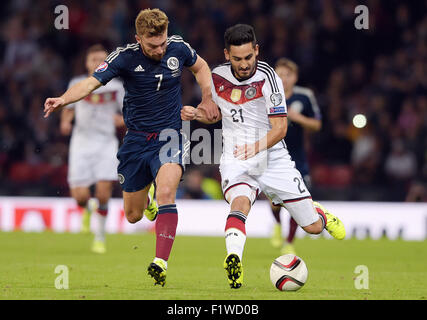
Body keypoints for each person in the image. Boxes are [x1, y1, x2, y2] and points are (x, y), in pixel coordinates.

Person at [44, 8, 219, 286]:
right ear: (138, 39)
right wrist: (63, 100)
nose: (160, 49)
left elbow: (201, 66)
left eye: (162, 42)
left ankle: (160, 261)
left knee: (166, 193)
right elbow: (90, 83)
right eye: (152, 45)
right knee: (134, 215)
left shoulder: (178, 48)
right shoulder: (123, 57)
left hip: (169, 135)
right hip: (135, 141)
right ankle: (146, 198)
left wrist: (208, 97)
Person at [181, 24, 345, 289]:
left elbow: (280, 129)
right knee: (240, 203)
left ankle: (321, 215)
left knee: (312, 228)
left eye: (248, 57)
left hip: (272, 155)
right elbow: (215, 114)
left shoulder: (269, 77)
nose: (244, 64)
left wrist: (255, 147)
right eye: (237, 59)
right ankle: (233, 258)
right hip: (235, 156)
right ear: (226, 55)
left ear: (256, 50)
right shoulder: (216, 76)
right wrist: (197, 114)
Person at [60, 44, 127, 254]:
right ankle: (87, 208)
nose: (97, 63)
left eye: (101, 59)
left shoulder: (116, 86)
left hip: (106, 143)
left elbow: (129, 113)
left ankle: (100, 237)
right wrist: (65, 121)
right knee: (80, 196)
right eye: (93, 59)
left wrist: (122, 120)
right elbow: (68, 108)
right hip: (81, 143)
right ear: (86, 63)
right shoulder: (77, 83)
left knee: (103, 191)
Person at [269, 58, 322, 255]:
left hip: (297, 156)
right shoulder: (268, 94)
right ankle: (276, 224)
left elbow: (317, 125)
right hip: (272, 153)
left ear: (295, 77)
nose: (283, 79)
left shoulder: (305, 96)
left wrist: (297, 117)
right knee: (273, 201)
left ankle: (289, 241)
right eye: (279, 75)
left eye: (287, 75)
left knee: (297, 199)